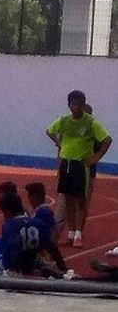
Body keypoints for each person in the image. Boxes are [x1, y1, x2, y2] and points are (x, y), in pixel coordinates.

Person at [46, 90, 112, 248]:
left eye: (79, 105)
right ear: (69, 105)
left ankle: (77, 234)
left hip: (82, 167)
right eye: (73, 105)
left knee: (80, 202)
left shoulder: (91, 124)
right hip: (67, 164)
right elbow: (50, 131)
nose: (76, 108)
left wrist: (96, 157)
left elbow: (107, 140)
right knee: (67, 200)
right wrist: (60, 148)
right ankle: (70, 233)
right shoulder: (64, 121)